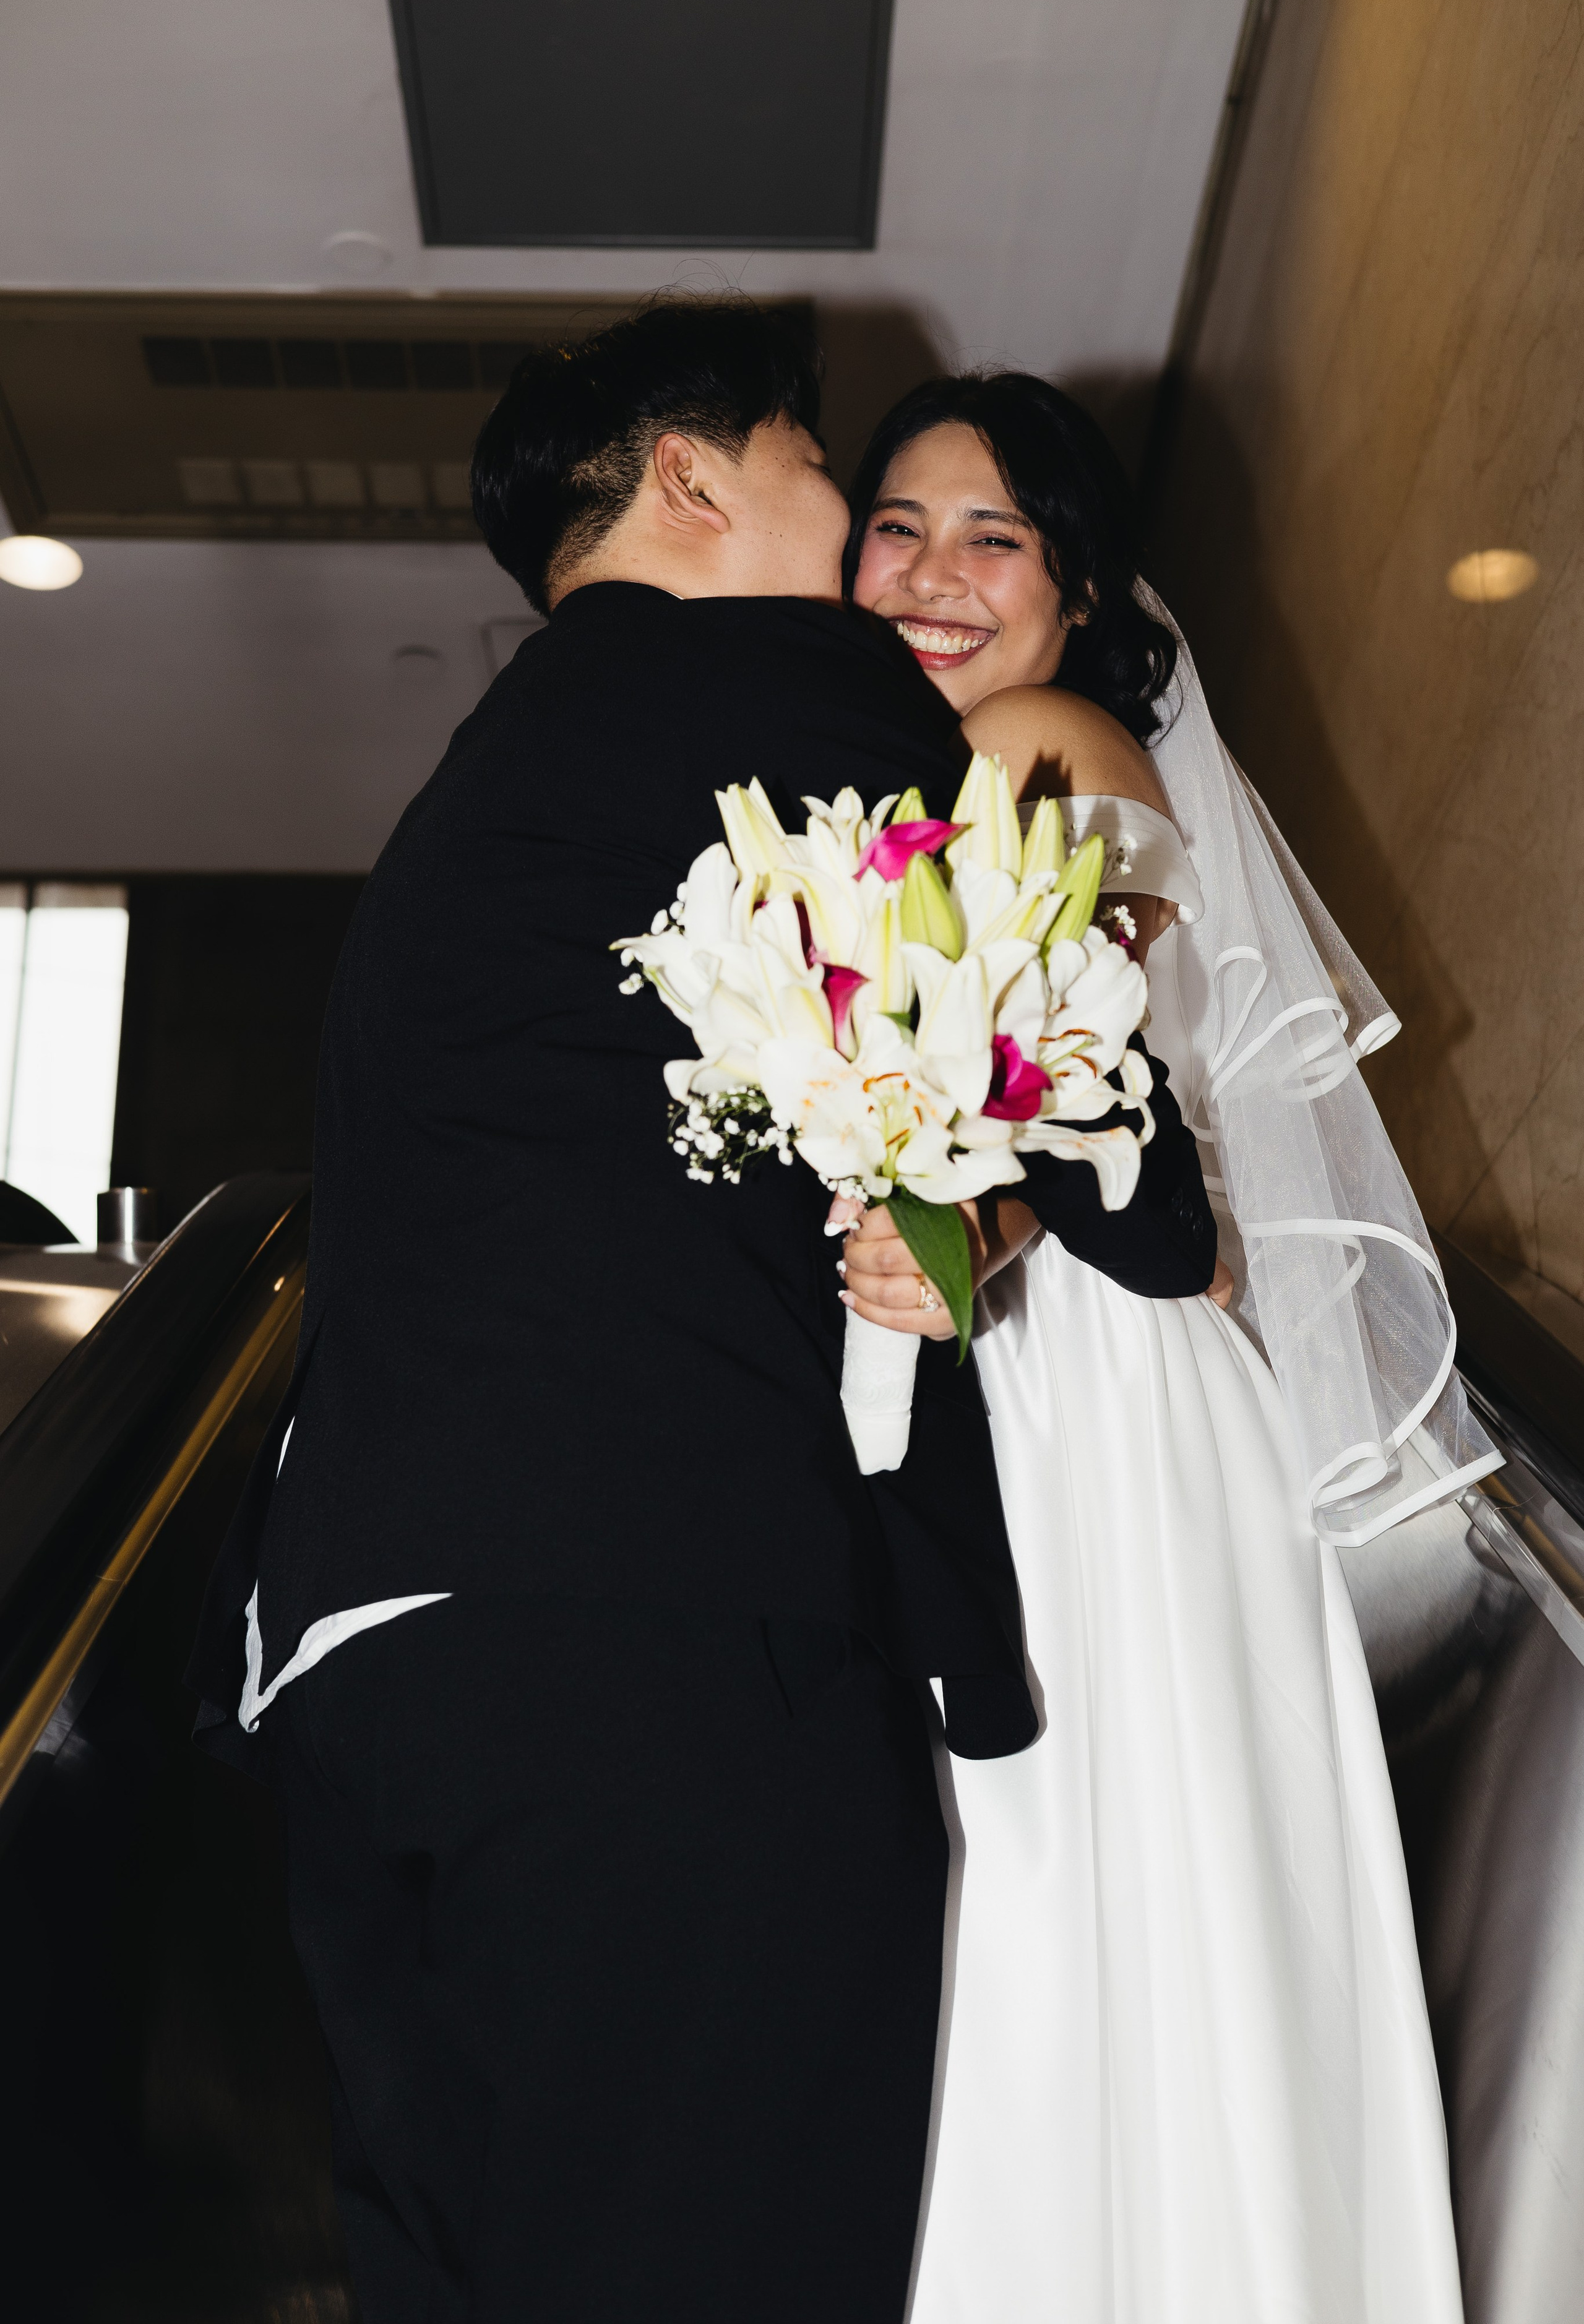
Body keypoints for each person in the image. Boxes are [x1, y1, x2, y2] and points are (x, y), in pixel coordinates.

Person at [187, 305, 1218, 2324]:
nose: (859, 550)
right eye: (832, 477)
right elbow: (1143, 1188)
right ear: (693, 480)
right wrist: (1038, 1194)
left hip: (357, 1676)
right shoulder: (782, 685)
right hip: (640, 1649)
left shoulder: (482, 798)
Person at [840, 372, 1497, 2323]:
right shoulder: (881, 782)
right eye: (897, 525)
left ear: (1080, 587)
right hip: (989, 1354)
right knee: (1055, 1908)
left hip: (1086, 1388)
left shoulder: (1049, 744)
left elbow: (1071, 1088)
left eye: (994, 538)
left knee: (1062, 1892)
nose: (933, 575)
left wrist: (983, 1224)